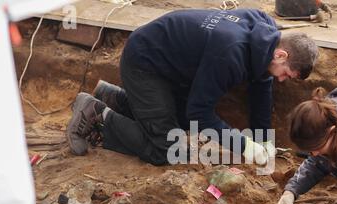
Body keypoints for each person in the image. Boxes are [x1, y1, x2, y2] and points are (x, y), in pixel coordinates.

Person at [66, 9, 318, 166]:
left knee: (182, 122)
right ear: (282, 55)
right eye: (286, 74)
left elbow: (262, 83)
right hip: (146, 63)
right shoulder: (231, 54)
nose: (282, 80)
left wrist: (264, 139)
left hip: (171, 64)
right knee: (168, 151)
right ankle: (97, 113)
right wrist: (244, 145)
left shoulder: (264, 31)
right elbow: (200, 113)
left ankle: (115, 97)